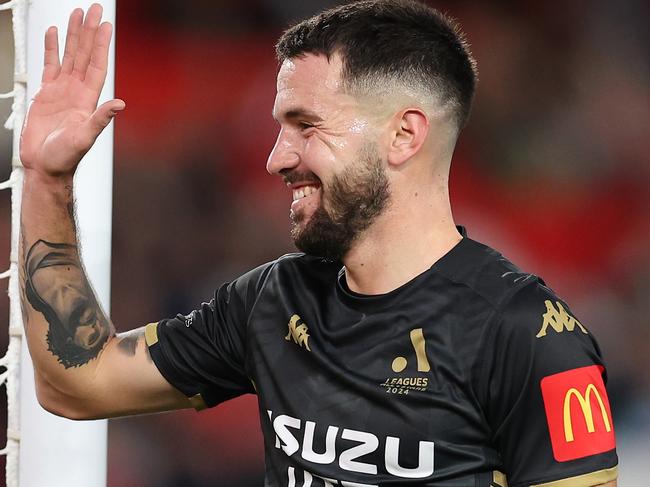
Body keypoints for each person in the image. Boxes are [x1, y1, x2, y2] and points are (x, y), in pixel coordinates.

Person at [18, 1, 618, 486]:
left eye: (306, 125)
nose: (276, 158)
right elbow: (78, 382)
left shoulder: (525, 334)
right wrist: (47, 181)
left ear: (404, 135)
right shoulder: (273, 301)